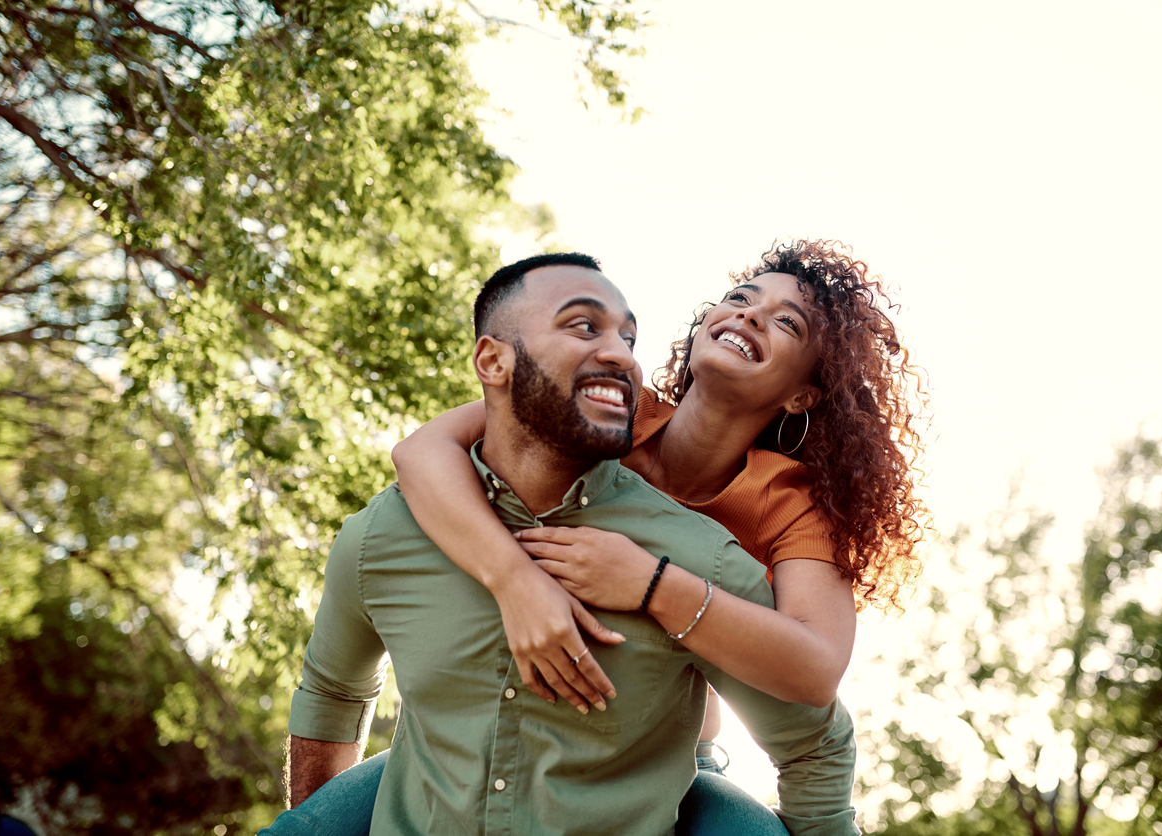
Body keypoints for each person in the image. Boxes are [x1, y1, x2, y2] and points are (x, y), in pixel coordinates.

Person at [266, 253, 860, 836]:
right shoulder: (605, 409)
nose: (752, 316)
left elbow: (814, 675)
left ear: (803, 395)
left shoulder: (788, 504)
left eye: (787, 322)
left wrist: (651, 583)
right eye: (741, 297)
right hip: (455, 758)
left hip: (656, 755)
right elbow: (421, 452)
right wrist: (514, 580)